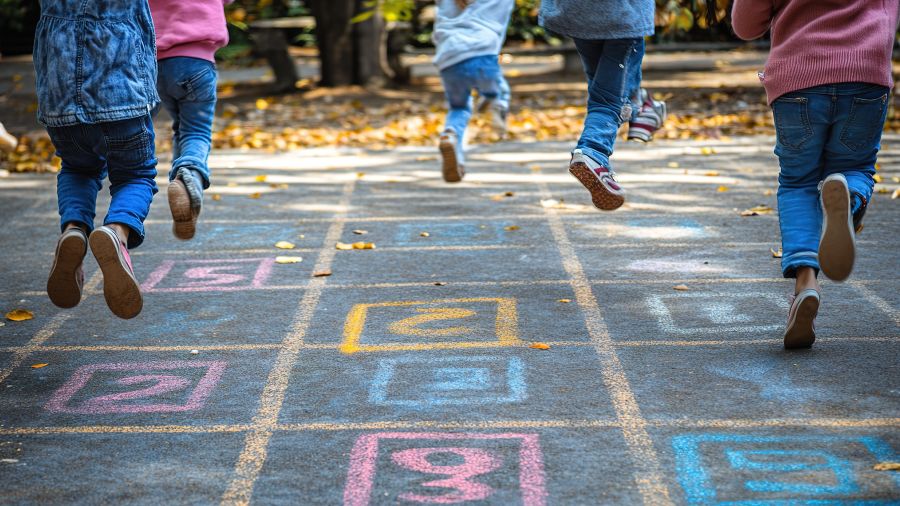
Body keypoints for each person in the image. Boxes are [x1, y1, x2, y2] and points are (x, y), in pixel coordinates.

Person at [732, 0, 899, 348]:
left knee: (798, 182)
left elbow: (746, 25)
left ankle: (805, 284)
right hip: (866, 73)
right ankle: (848, 202)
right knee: (856, 167)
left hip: (797, 79)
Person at [35, 0, 160, 319]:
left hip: (60, 99)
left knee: (77, 168)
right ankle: (117, 232)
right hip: (122, 95)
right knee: (136, 174)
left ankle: (74, 229)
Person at [539, 0, 656, 210]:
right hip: (621, 13)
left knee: (606, 86)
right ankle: (594, 150)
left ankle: (641, 109)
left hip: (577, 13)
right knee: (608, 100)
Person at [149, 0, 232, 240]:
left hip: (154, 64)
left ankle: (184, 189)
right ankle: (188, 176)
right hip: (197, 61)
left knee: (180, 128)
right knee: (195, 131)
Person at [433, 0, 515, 183]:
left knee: (459, 108)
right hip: (483, 53)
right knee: (498, 90)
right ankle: (495, 104)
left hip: (448, 59)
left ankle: (450, 135)